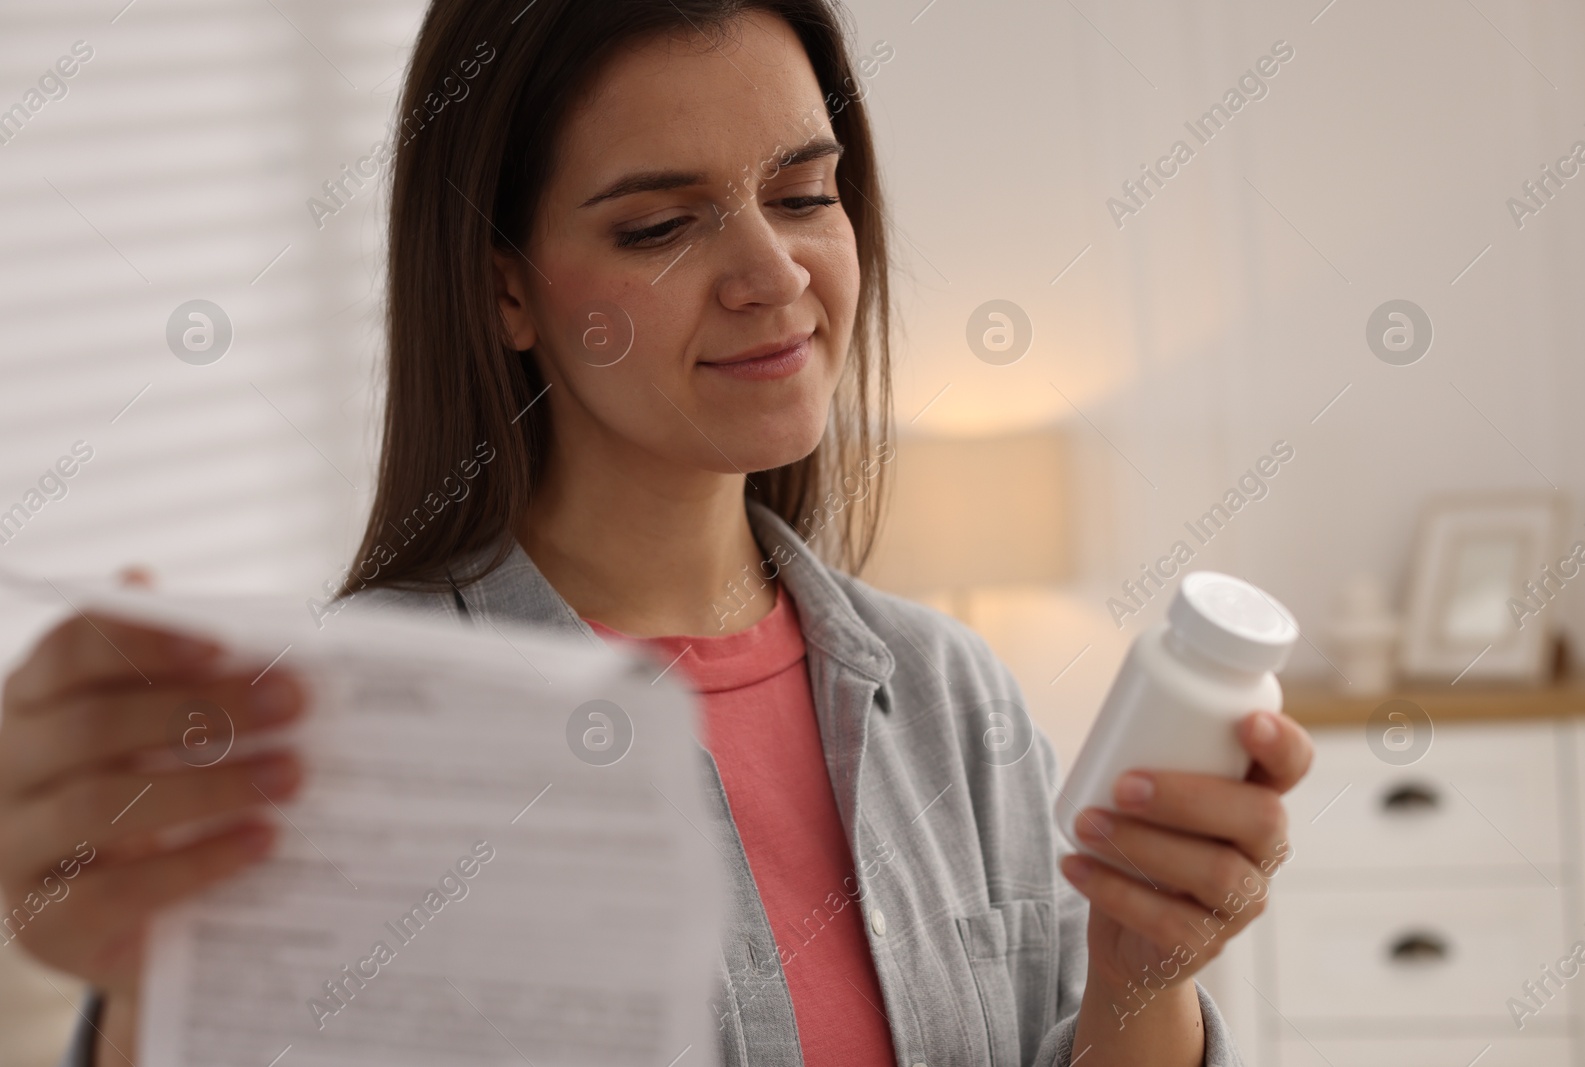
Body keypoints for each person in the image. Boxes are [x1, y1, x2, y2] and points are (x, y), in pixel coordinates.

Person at [1, 1, 1314, 1064]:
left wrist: (1145, 982)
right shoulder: (347, 737)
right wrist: (139, 994)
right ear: (507, 289)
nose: (774, 274)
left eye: (804, 195)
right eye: (663, 225)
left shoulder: (951, 700)